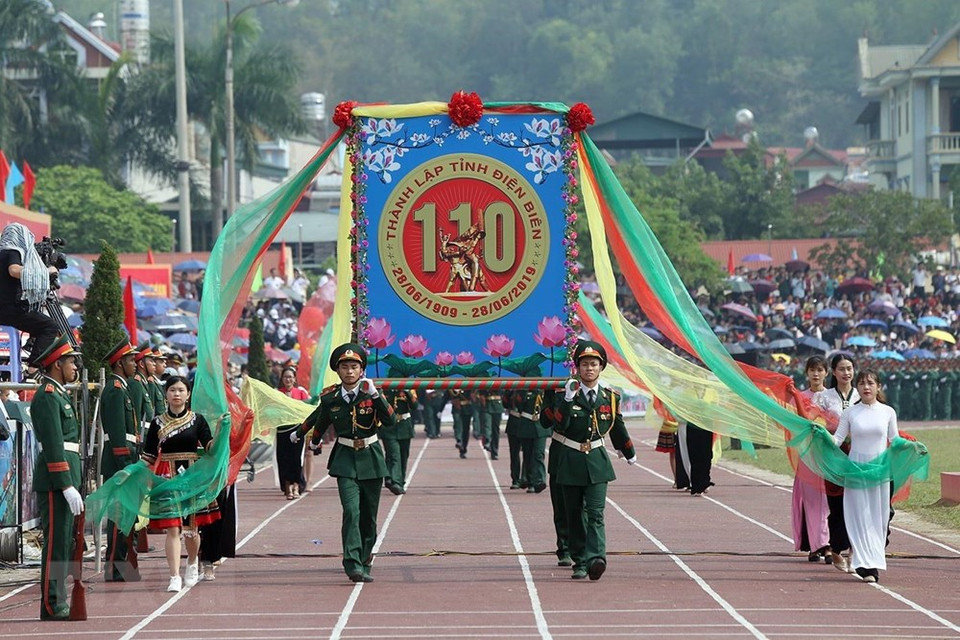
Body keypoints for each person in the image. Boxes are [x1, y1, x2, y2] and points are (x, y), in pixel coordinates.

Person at [290, 343, 395, 582]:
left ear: (362, 370)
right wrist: (307, 436)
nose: (349, 371)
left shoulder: (371, 393)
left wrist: (376, 396)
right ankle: (352, 563)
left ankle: (365, 557)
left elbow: (391, 421)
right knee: (351, 511)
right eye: (345, 367)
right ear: (338, 371)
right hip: (345, 459)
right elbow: (320, 419)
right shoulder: (331, 397)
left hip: (371, 459)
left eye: (354, 366)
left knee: (368, 516)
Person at [552, 340, 636, 580]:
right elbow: (559, 425)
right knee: (575, 514)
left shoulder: (610, 397)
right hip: (570, 459)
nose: (589, 368)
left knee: (596, 513)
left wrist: (628, 451)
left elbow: (617, 426)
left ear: (601, 367)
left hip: (598, 462)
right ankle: (579, 561)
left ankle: (596, 558)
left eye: (594, 364)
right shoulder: (565, 394)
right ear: (577, 368)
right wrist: (567, 401)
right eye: (585, 364)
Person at [141, 376, 219, 592]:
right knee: (172, 528)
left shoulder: (198, 420)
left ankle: (192, 562)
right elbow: (148, 455)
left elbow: (210, 448)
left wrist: (221, 431)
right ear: (166, 394)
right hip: (167, 477)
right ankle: (174, 576)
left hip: (191, 476)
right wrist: (132, 473)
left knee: (192, 530)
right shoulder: (157, 422)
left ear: (188, 394)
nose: (176, 394)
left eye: (181, 390)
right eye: (172, 390)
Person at [30, 334, 84, 620]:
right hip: (55, 482)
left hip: (65, 478)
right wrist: (65, 485)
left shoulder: (59, 394)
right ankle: (52, 604)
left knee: (65, 542)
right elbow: (53, 445)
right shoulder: (47, 397)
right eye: (71, 362)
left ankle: (58, 599)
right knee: (55, 543)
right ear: (56, 364)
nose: (75, 367)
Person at [833, 369, 898, 583]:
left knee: (878, 517)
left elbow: (894, 440)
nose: (866, 387)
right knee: (858, 516)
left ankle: (874, 561)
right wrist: (818, 434)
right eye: (862, 383)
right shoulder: (850, 413)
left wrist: (912, 447)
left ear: (878, 387)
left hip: (879, 472)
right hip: (856, 471)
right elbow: (837, 439)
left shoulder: (888, 412)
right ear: (857, 387)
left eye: (870, 383)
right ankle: (864, 563)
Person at [813, 353, 859, 572]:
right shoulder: (824, 397)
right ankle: (837, 547)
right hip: (833, 455)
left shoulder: (862, 394)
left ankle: (854, 549)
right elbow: (814, 422)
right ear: (833, 372)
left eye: (849, 368)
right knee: (837, 503)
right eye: (842, 369)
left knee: (857, 503)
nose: (846, 373)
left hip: (858, 455)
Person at [100, 340, 141, 583]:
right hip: (119, 462)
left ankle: (120, 564)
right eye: (130, 361)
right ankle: (114, 567)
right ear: (119, 363)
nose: (134, 365)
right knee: (118, 517)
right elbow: (117, 434)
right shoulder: (115, 389)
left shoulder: (122, 388)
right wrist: (125, 465)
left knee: (126, 517)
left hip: (127, 458)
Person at [0, 223, 59, 363]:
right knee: (50, 327)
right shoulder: (12, 251)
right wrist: (45, 272)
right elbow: (13, 270)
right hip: (9, 310)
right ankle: (34, 368)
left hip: (4, 309)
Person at [791, 355, 831, 562]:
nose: (816, 374)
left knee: (828, 500)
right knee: (811, 500)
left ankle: (827, 544)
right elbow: (795, 423)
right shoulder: (797, 396)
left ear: (827, 373)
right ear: (806, 373)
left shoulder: (832, 397)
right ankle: (815, 545)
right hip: (807, 455)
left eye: (820, 370)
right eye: (812, 370)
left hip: (829, 454)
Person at [273, 367, 310, 499]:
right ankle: (287, 486)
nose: (288, 379)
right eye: (285, 377)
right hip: (282, 431)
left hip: (298, 431)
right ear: (282, 379)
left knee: (296, 459)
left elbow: (309, 409)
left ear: (294, 379)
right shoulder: (277, 393)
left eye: (290, 377)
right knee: (283, 459)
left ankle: (296, 486)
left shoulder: (301, 393)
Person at [381, 387, 417, 495]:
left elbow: (414, 406)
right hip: (389, 426)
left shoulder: (409, 389)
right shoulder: (384, 389)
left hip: (404, 426)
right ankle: (395, 482)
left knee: (403, 455)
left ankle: (399, 481)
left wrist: (407, 392)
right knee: (394, 454)